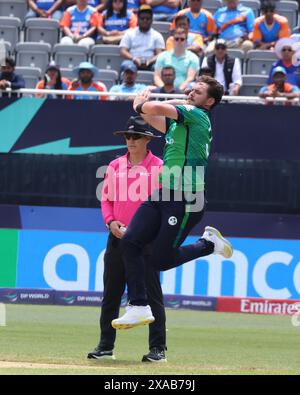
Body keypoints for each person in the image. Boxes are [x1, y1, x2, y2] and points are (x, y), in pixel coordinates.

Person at [111, 76, 233, 329]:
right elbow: (151, 118)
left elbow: (151, 110)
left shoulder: (197, 114)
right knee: (130, 242)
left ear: (209, 101)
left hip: (187, 198)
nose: (191, 92)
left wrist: (140, 104)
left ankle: (208, 245)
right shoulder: (183, 123)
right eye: (192, 88)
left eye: (198, 91)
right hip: (163, 193)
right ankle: (138, 306)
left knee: (159, 261)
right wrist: (144, 108)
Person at [87, 116, 167, 362]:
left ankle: (158, 349)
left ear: (147, 140)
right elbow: (106, 199)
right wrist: (110, 222)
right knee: (111, 292)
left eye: (135, 136)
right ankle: (105, 346)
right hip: (117, 236)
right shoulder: (114, 166)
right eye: (127, 136)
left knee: (151, 295)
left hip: (145, 240)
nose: (130, 141)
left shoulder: (160, 168)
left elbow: (164, 205)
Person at [120, 5, 165, 70]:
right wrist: (134, 58)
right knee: (126, 65)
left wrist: (150, 61)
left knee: (158, 67)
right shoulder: (129, 34)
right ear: (137, 20)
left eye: (148, 19)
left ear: (152, 20)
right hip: (132, 61)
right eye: (142, 18)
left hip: (150, 62)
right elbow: (122, 51)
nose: (145, 21)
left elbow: (160, 54)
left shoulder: (157, 35)